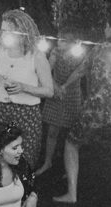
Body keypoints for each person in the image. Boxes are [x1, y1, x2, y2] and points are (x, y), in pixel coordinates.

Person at [54, 21, 111, 204]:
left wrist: (64, 85)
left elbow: (81, 71)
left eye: (107, 26)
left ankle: (72, 194)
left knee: (71, 143)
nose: (104, 28)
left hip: (95, 109)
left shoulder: (99, 49)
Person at [0, 9, 54, 166]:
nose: (4, 34)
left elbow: (49, 91)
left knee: (24, 161)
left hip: (27, 116)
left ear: (23, 32)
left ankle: (23, 190)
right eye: (3, 30)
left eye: (9, 31)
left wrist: (23, 87)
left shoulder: (37, 56)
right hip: (2, 111)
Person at [36, 28, 87, 176]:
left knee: (71, 133)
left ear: (72, 42)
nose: (59, 42)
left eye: (63, 40)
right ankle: (47, 162)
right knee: (52, 130)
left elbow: (79, 73)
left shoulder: (79, 54)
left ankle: (69, 166)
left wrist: (64, 86)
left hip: (72, 94)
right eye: (58, 39)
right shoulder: (55, 52)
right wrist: (56, 86)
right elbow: (47, 70)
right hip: (56, 92)